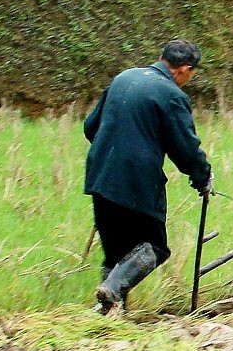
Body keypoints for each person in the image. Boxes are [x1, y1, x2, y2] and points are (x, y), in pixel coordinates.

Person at [83, 40, 213, 314]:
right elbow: (186, 149)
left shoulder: (123, 78)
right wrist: (202, 178)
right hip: (135, 182)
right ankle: (111, 291)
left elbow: (90, 126)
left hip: (99, 175)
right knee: (154, 246)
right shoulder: (171, 95)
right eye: (192, 73)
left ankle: (106, 314)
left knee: (116, 254)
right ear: (185, 70)